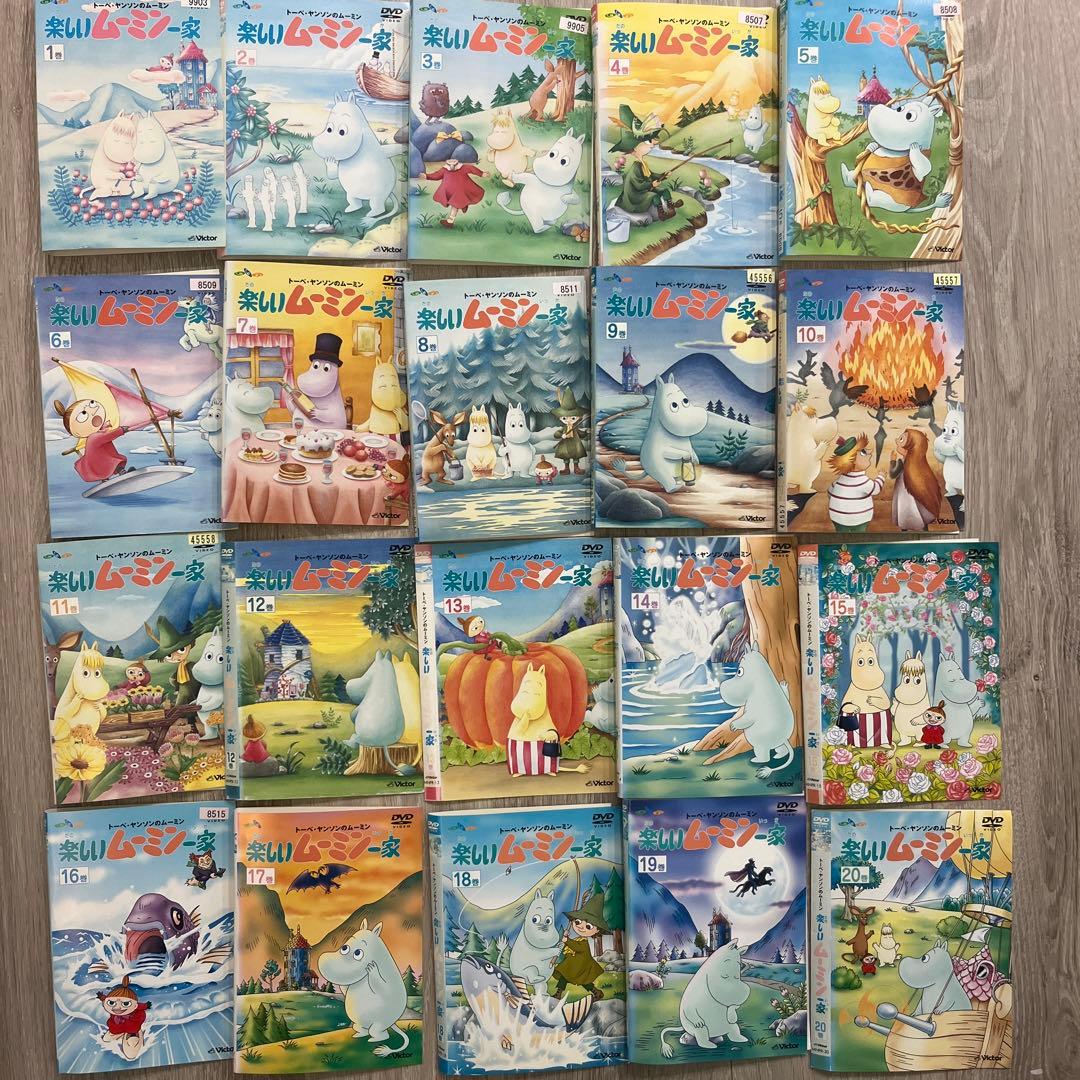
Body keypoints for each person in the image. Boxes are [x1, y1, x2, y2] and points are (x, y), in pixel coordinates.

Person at [609, 105, 683, 222]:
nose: (652, 146)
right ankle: (661, 213)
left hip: (645, 190)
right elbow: (638, 185)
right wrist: (651, 185)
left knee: (664, 191)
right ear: (635, 146)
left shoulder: (642, 163)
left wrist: (663, 175)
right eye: (648, 142)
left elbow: (651, 175)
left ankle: (670, 206)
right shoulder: (635, 167)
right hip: (635, 197)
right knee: (653, 196)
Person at [552, 892, 608, 1000]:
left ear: (597, 930)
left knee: (583, 981)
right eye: (577, 922)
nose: (581, 927)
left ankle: (596, 992)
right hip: (573, 966)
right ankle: (559, 994)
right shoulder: (578, 939)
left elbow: (578, 947)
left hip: (581, 967)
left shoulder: (584, 942)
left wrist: (567, 940)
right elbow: (571, 948)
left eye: (588, 926)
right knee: (564, 976)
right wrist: (566, 940)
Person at [424, 155, 487, 227]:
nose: (452, 165)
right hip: (450, 191)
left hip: (459, 191)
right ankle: (462, 206)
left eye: (453, 162)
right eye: (450, 162)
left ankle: (450, 221)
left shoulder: (463, 167)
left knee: (454, 204)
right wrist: (427, 176)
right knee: (455, 203)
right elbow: (436, 175)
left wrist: (481, 173)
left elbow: (472, 169)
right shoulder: (444, 169)